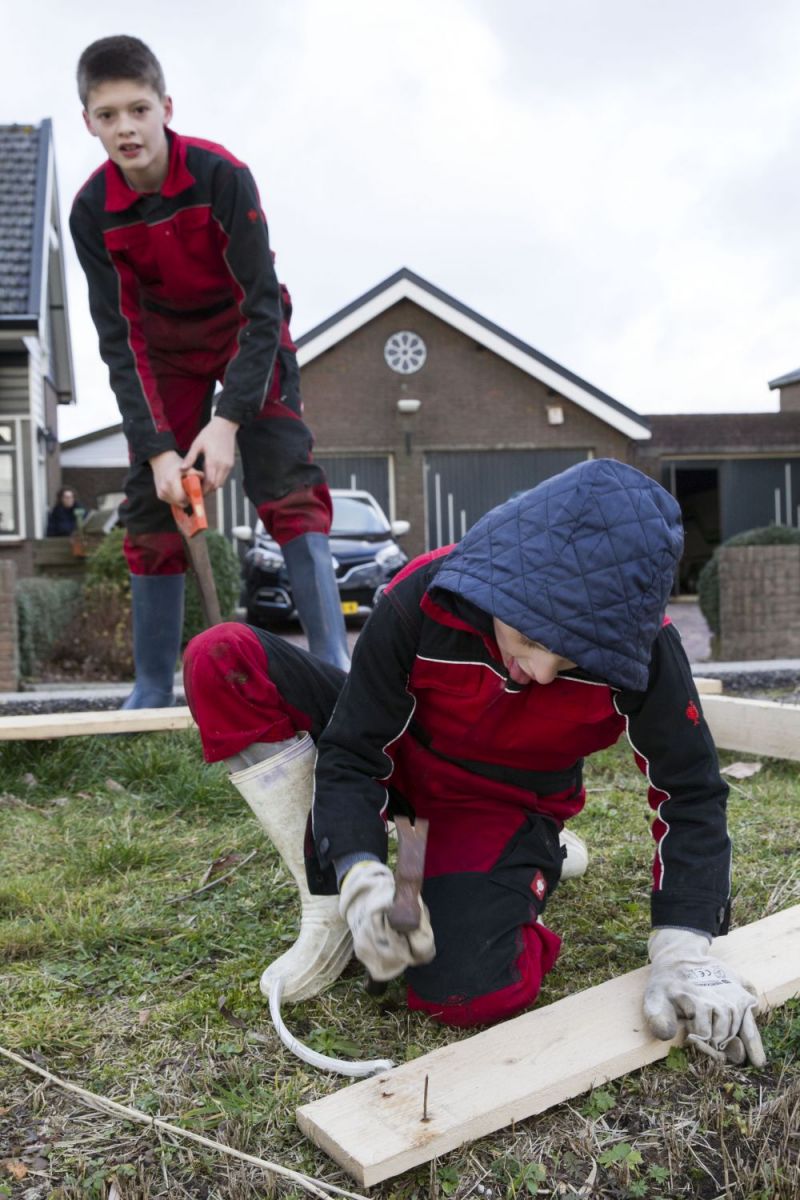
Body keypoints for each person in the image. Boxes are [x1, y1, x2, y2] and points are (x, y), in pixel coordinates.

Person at [183, 458, 765, 1065]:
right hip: (399, 755)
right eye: (533, 640)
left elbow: (689, 792)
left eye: (570, 660)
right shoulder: (423, 596)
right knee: (222, 655)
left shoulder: (648, 652)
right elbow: (354, 750)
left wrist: (683, 949)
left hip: (496, 801)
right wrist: (356, 869)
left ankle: (517, 857)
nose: (539, 672)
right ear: (499, 583)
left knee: (465, 992)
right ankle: (329, 906)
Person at [69, 35, 349, 709]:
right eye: (108, 115)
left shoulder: (221, 175)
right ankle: (149, 690)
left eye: (138, 109)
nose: (126, 128)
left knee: (288, 486)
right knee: (149, 507)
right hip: (162, 359)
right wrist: (161, 449)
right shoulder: (91, 214)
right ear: (90, 122)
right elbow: (120, 339)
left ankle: (335, 670)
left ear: (165, 107)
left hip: (246, 339)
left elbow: (260, 305)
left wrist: (228, 421)